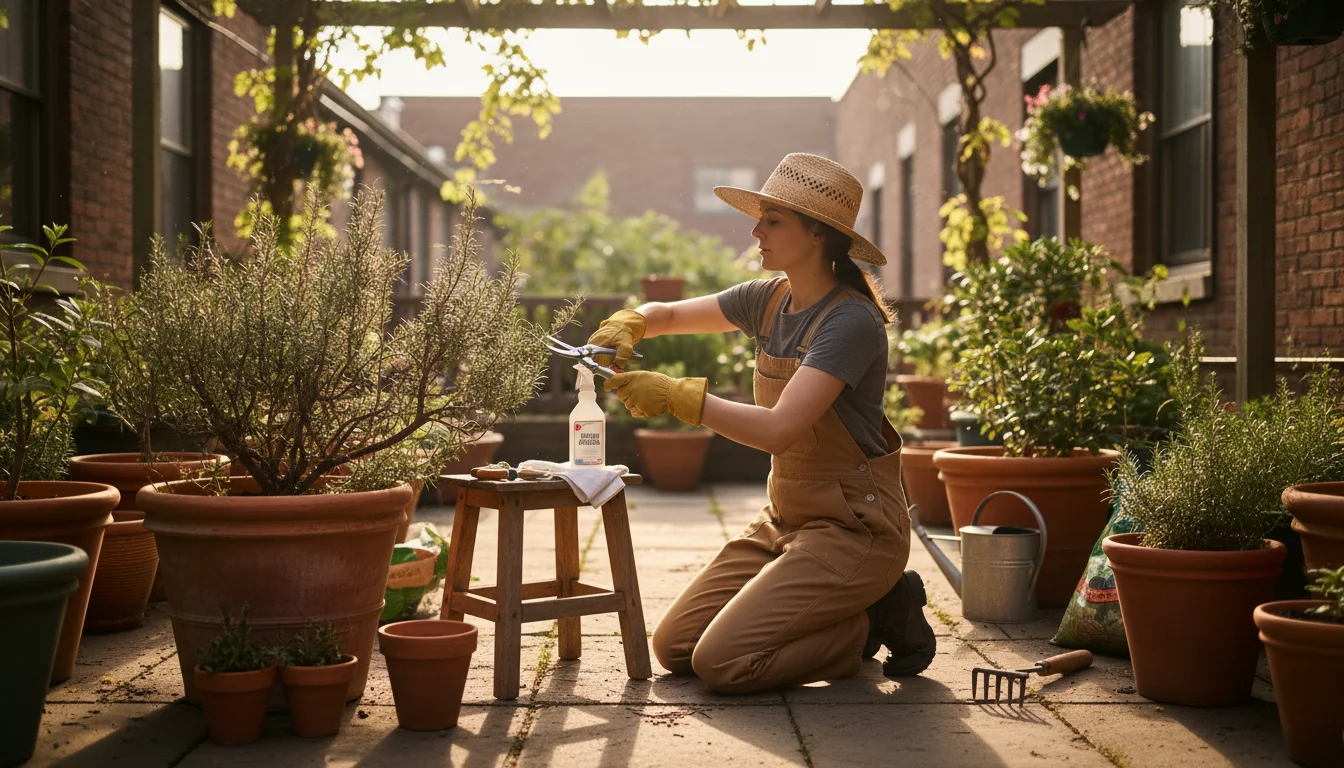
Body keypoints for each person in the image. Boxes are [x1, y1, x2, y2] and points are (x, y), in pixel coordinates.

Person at [587, 153, 936, 695]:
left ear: (817, 232)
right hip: (788, 518)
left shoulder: (850, 321)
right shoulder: (767, 300)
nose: (756, 230)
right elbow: (674, 314)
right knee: (675, 647)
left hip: (855, 528)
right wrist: (633, 321)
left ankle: (877, 617)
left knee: (722, 663)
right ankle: (843, 610)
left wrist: (680, 398)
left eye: (773, 220)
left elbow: (779, 430)